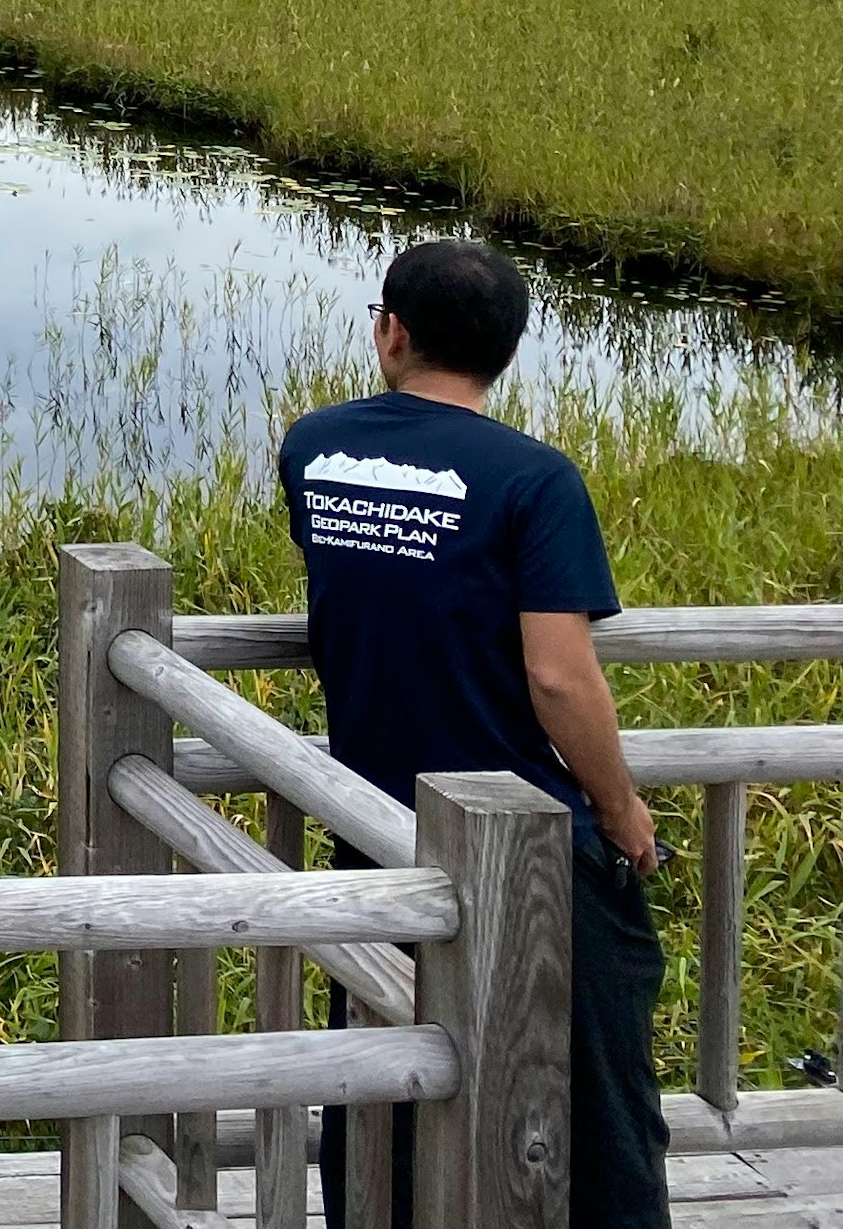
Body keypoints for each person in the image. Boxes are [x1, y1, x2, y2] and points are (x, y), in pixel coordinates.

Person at [280, 237, 665, 1229]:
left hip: (375, 829)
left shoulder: (313, 448)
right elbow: (556, 673)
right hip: (530, 851)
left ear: (392, 330)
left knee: (381, 1100)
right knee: (603, 1113)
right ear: (506, 350)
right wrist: (621, 812)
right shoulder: (535, 481)